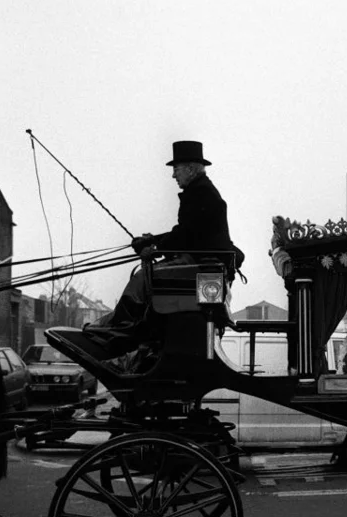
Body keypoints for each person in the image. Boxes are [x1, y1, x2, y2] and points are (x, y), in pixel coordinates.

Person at [84, 140, 242, 362]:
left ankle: (113, 330)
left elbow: (185, 236)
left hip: (201, 266)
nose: (173, 175)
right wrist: (152, 241)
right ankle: (125, 328)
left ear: (189, 168)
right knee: (148, 277)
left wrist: (154, 247)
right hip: (203, 263)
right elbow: (186, 233)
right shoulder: (201, 192)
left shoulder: (200, 194)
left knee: (142, 279)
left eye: (176, 169)